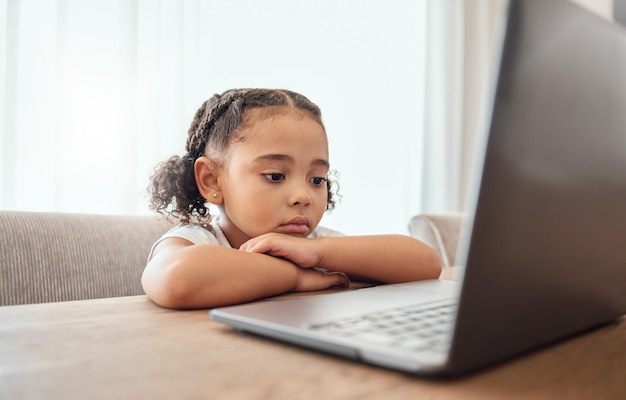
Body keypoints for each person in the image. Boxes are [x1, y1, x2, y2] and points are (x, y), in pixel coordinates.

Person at [142, 88, 442, 309]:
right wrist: (296, 277)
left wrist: (319, 254)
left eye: (316, 179)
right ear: (212, 180)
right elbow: (176, 280)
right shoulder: (196, 241)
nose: (303, 196)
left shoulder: (319, 246)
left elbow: (426, 263)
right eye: (275, 175)